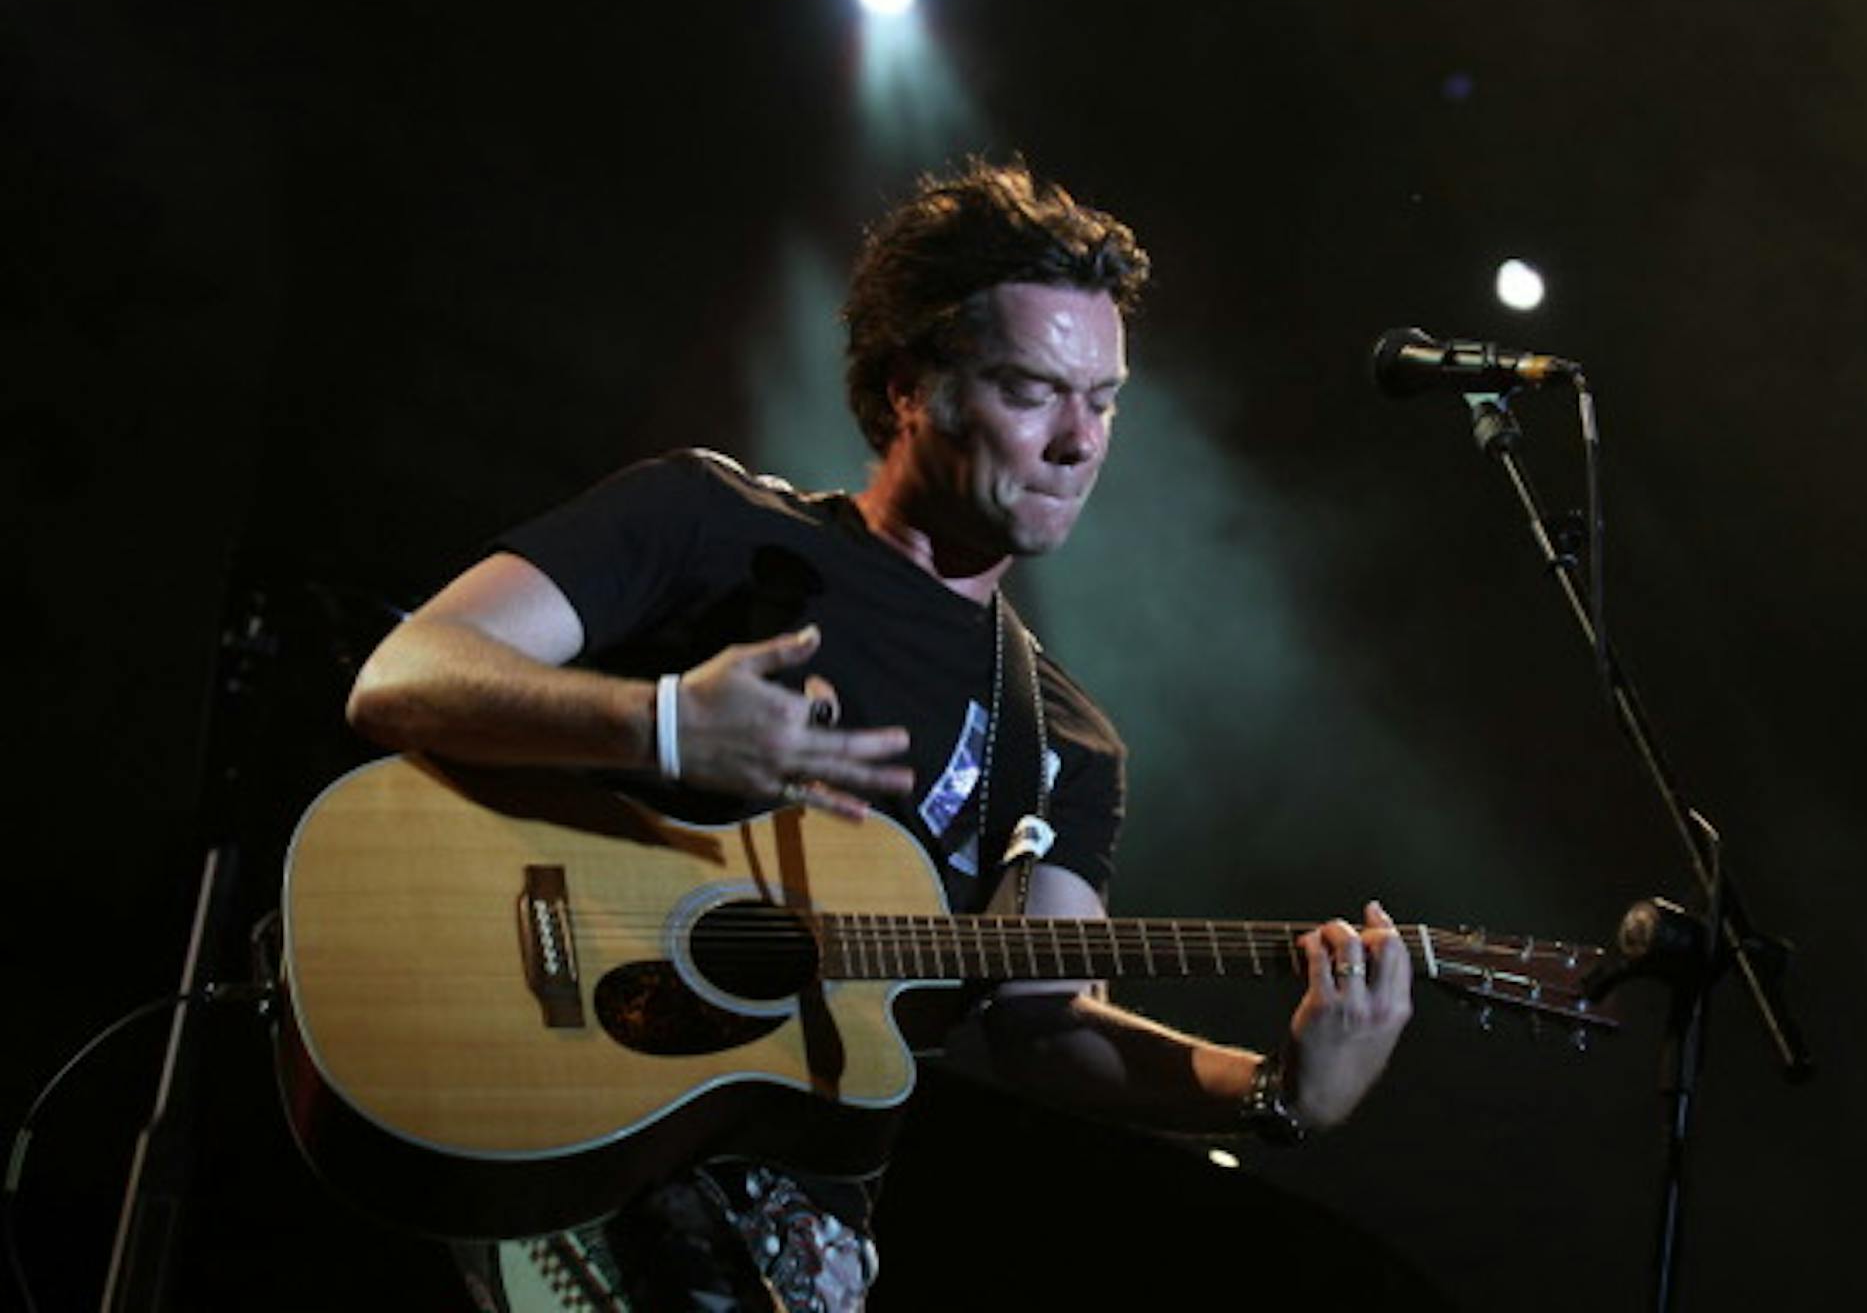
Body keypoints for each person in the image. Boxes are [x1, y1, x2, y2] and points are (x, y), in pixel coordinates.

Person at [345, 158, 1413, 1311]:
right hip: (520, 1109)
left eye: (1103, 400)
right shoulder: (707, 521)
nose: (1080, 441)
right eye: (1032, 391)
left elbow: (1045, 1026)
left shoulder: (1061, 741)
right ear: (912, 386)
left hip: (775, 1238)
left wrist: (1275, 1092)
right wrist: (660, 726)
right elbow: (407, 672)